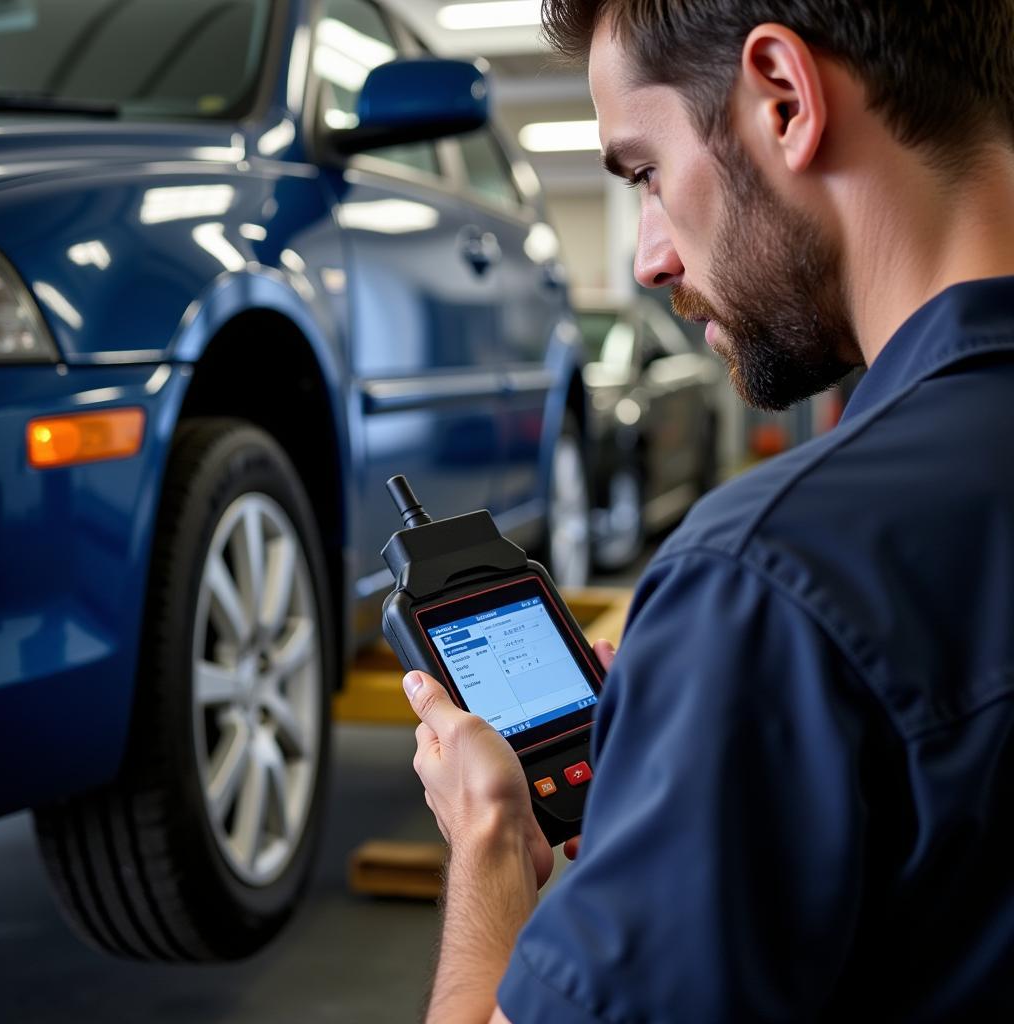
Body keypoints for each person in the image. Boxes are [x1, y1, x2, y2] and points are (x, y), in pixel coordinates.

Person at [401, 2, 1014, 1019]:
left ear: (782, 97)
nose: (647, 258)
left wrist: (488, 853)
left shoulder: (765, 582)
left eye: (643, 173)